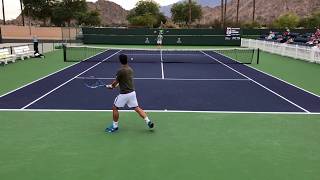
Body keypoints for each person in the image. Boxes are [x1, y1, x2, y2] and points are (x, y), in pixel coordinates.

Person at [105, 54, 154, 133]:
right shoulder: (130, 70)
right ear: (127, 60)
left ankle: (115, 126)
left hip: (124, 94)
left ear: (120, 61)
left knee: (115, 108)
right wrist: (114, 85)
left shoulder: (120, 71)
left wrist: (111, 86)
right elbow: (123, 81)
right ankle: (148, 121)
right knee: (137, 108)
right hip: (132, 93)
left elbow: (116, 82)